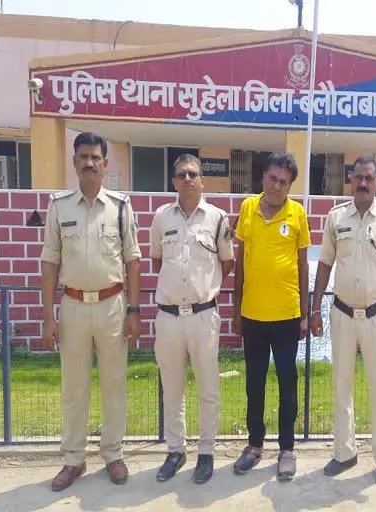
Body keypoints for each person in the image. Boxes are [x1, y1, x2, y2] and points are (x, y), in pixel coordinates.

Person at [40, 131, 142, 491]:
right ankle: (73, 459)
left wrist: (134, 309)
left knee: (114, 384)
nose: (89, 162)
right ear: (74, 162)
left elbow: (132, 261)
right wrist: (48, 315)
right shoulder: (59, 207)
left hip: (112, 306)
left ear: (104, 163)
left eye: (95, 157)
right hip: (72, 307)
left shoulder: (121, 207)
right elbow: (50, 262)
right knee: (74, 386)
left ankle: (113, 454)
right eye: (83, 157)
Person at [310, 155, 376, 489]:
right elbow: (325, 263)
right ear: (350, 180)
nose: (363, 183)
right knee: (341, 385)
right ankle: (344, 452)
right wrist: (314, 309)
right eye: (358, 178)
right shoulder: (336, 217)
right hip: (342, 314)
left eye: (369, 178)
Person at [149, 154, 234, 484]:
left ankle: (206, 452)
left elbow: (227, 263)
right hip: (169, 317)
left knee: (208, 388)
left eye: (193, 174)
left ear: (202, 181)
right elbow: (158, 261)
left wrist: (203, 287)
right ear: (174, 181)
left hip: (203, 316)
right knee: (172, 388)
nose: (187, 179)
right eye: (181, 174)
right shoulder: (161, 217)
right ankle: (175, 450)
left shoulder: (217, 218)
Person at [231, 152, 310, 481]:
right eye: (273, 179)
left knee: (288, 384)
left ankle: (287, 449)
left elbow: (303, 266)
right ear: (263, 177)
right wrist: (236, 309)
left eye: (284, 182)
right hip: (252, 316)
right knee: (254, 383)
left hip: (287, 316)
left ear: (290, 186)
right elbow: (240, 263)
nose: (277, 186)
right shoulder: (247, 208)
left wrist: (304, 314)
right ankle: (254, 445)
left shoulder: (297, 213)